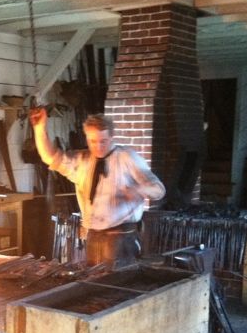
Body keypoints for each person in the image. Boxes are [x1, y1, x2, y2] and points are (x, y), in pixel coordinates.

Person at [29, 108, 165, 268]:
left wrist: (139, 190)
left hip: (122, 237)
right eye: (93, 141)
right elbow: (50, 156)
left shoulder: (128, 158)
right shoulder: (82, 160)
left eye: (103, 141)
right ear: (86, 138)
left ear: (112, 137)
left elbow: (159, 190)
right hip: (93, 236)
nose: (98, 147)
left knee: (120, 288)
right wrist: (39, 129)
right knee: (95, 285)